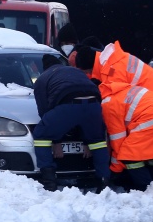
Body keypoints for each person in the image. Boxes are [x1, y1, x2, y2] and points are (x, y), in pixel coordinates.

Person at [75, 41, 153, 183]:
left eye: (85, 72)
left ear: (88, 67)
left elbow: (118, 129)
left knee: (136, 151)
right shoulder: (111, 61)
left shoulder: (113, 72)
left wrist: (116, 168)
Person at [32, 54, 111, 192]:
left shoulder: (43, 78)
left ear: (45, 68)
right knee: (97, 141)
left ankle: (49, 181)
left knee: (41, 135)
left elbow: (45, 111)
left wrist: (56, 141)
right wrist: (87, 141)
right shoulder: (75, 71)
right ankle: (104, 180)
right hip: (94, 104)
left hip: (69, 105)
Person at [98, 79, 153, 190]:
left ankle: (145, 188)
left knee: (128, 154)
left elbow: (118, 142)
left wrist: (114, 171)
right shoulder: (121, 89)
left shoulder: (108, 104)